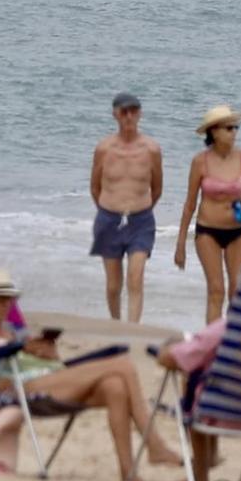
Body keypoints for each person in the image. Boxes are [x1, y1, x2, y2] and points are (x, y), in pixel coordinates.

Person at [0, 268, 177, 481]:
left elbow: (49, 364)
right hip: (20, 389)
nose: (6, 304)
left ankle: (129, 474)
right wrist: (6, 346)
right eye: (0, 298)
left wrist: (47, 353)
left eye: (9, 299)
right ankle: (155, 445)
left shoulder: (12, 331)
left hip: (49, 380)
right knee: (124, 365)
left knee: (114, 385)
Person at [157, 258, 241, 481]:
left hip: (218, 414)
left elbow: (172, 359)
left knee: (194, 379)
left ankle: (201, 478)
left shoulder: (227, 328)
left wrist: (167, 348)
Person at [174, 104, 241, 322]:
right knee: (216, 290)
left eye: (235, 127)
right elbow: (190, 204)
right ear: (214, 131)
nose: (234, 133)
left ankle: (232, 343)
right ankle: (211, 344)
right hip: (207, 232)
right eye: (228, 128)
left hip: (238, 231)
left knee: (237, 292)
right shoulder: (200, 161)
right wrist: (180, 244)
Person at [89, 91, 162, 322]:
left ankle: (133, 330)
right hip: (109, 218)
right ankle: (115, 323)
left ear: (139, 114)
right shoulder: (104, 148)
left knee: (135, 277)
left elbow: (157, 187)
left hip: (140, 220)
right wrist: (109, 208)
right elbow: (94, 186)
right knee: (113, 284)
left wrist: (140, 207)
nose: (128, 117)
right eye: (124, 112)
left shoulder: (151, 149)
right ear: (115, 114)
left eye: (133, 111)